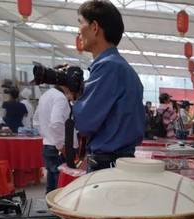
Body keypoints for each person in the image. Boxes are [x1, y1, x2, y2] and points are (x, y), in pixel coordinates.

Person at [68, 0, 144, 171]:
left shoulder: (108, 67)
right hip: (121, 161)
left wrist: (73, 98)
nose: (78, 31)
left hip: (107, 164)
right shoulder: (123, 68)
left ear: (94, 27)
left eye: (80, 23)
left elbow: (85, 122)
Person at [32, 86, 71, 193]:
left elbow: (35, 121)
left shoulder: (45, 96)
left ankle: (49, 205)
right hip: (58, 146)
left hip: (47, 144)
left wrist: (46, 134)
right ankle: (57, 205)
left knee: (51, 177)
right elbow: (56, 122)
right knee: (60, 181)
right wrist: (60, 145)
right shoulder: (60, 97)